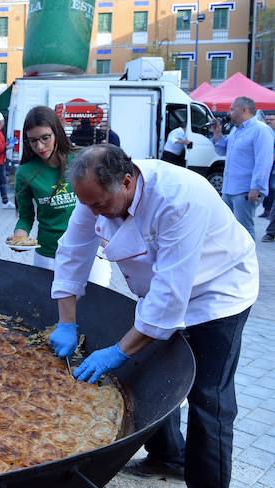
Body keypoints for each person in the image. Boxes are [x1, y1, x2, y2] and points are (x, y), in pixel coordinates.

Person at [48, 145, 257, 487]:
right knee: (152, 376)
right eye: (89, 206)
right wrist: (66, 320)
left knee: (209, 398)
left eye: (99, 205)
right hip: (161, 291)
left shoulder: (177, 199)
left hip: (217, 291)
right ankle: (167, 456)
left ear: (127, 182)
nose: (94, 214)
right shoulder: (95, 195)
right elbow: (73, 252)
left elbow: (169, 297)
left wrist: (117, 351)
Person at [11, 106, 111, 286]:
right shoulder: (25, 172)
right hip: (49, 255)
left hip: (90, 253)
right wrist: (19, 237)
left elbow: (106, 201)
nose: (40, 146)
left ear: (56, 132)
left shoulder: (83, 159)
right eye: (33, 141)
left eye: (45, 138)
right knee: (49, 310)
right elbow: (25, 217)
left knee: (93, 308)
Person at [212, 96, 274, 240]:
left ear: (245, 110)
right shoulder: (236, 130)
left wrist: (256, 187)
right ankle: (232, 259)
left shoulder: (261, 130)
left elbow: (263, 161)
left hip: (246, 189)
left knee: (244, 229)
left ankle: (248, 261)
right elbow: (222, 150)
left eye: (233, 109)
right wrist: (217, 134)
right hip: (229, 188)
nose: (229, 112)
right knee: (228, 227)